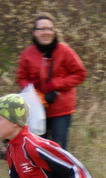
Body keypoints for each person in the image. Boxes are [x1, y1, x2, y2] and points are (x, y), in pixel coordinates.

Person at [16, 12, 87, 150]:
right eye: (42, 29)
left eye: (50, 29)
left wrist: (55, 85)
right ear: (34, 33)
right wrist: (33, 92)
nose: (46, 32)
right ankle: (43, 172)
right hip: (37, 109)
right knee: (38, 148)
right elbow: (21, 77)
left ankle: (62, 172)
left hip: (61, 110)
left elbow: (80, 73)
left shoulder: (64, 51)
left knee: (59, 149)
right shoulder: (27, 54)